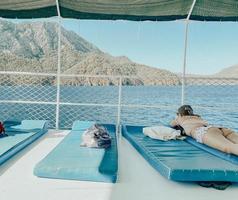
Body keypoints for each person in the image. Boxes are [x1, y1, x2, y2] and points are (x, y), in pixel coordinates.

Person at [170, 105, 238, 156]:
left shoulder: (179, 118)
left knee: (229, 147)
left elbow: (172, 124)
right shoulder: (198, 117)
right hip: (219, 128)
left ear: (179, 114)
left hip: (204, 131)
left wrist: (177, 119)